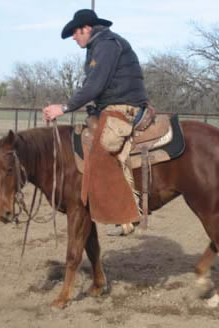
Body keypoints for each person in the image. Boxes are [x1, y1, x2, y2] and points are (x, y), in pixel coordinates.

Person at [43, 9, 149, 236]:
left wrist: (63, 108)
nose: (73, 37)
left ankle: (127, 216)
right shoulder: (97, 46)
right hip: (110, 106)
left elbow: (94, 86)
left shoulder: (107, 44)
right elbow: (92, 84)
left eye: (75, 32)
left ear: (86, 28)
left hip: (124, 106)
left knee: (104, 146)